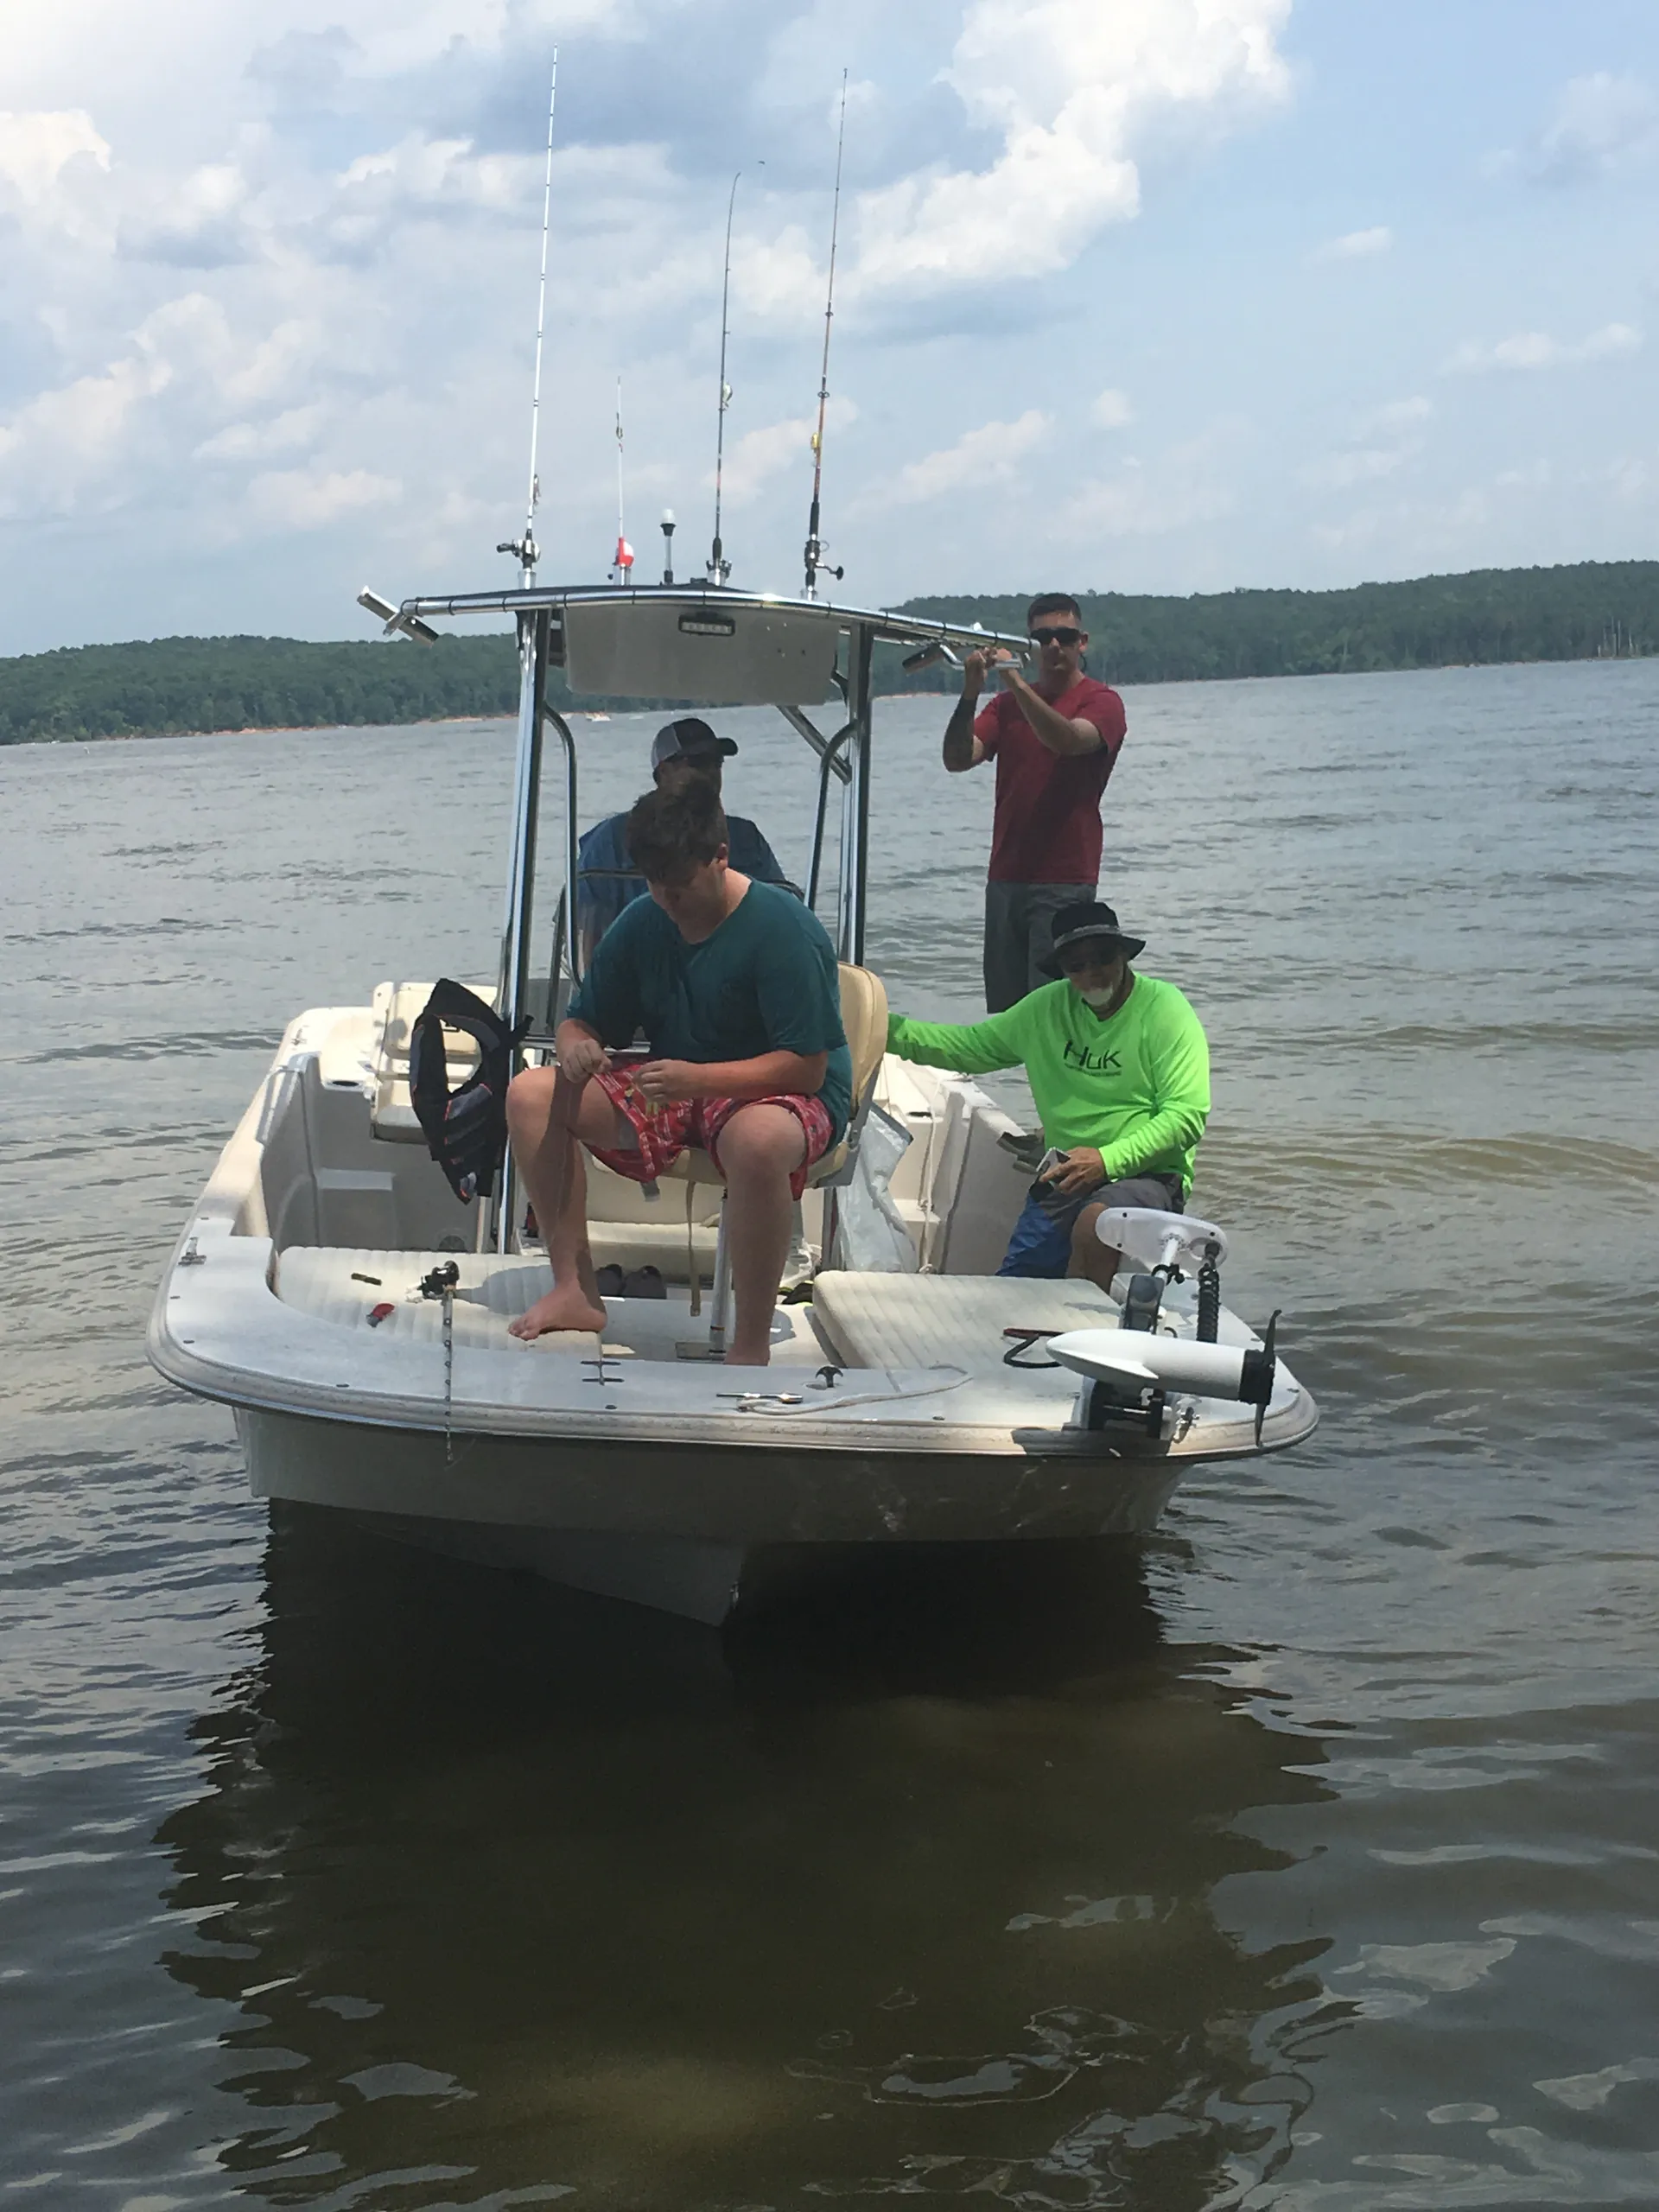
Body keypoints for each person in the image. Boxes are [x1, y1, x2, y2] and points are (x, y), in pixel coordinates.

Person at [506, 780, 851, 1365]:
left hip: (783, 1090)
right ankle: (574, 1289)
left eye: (682, 886)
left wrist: (701, 1081)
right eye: (655, 886)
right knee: (530, 1093)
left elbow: (808, 1067)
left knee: (758, 1138)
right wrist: (576, 1048)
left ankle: (749, 1343)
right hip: (680, 1084)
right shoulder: (646, 920)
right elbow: (581, 1022)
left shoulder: (783, 928)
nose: (669, 901)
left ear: (721, 858)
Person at [885, 901, 1208, 1289]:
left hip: (1150, 1173)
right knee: (1016, 1282)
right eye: (1076, 965)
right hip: (1067, 1170)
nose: (1091, 973)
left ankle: (1089, 1333)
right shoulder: (1047, 1007)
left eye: (1102, 957)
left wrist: (1107, 1160)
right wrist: (876, 1024)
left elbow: (1186, 1116)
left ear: (1123, 954)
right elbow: (964, 1047)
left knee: (1097, 1224)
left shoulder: (1165, 1009)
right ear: (1064, 970)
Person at [943, 593, 1128, 1013]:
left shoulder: (1103, 702)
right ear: (1031, 644)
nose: (1054, 646)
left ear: (1082, 642)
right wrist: (970, 693)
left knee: (1058, 1012)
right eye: (1043, 638)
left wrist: (1013, 680)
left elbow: (1066, 739)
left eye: (1064, 636)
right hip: (1006, 878)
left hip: (1065, 880)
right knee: (1013, 1018)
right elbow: (957, 759)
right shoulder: (1005, 706)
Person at [576, 717, 786, 961]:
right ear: (663, 772)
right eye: (698, 762)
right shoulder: (610, 840)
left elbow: (778, 914)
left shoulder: (747, 837)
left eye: (716, 763)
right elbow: (592, 934)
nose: (710, 772)